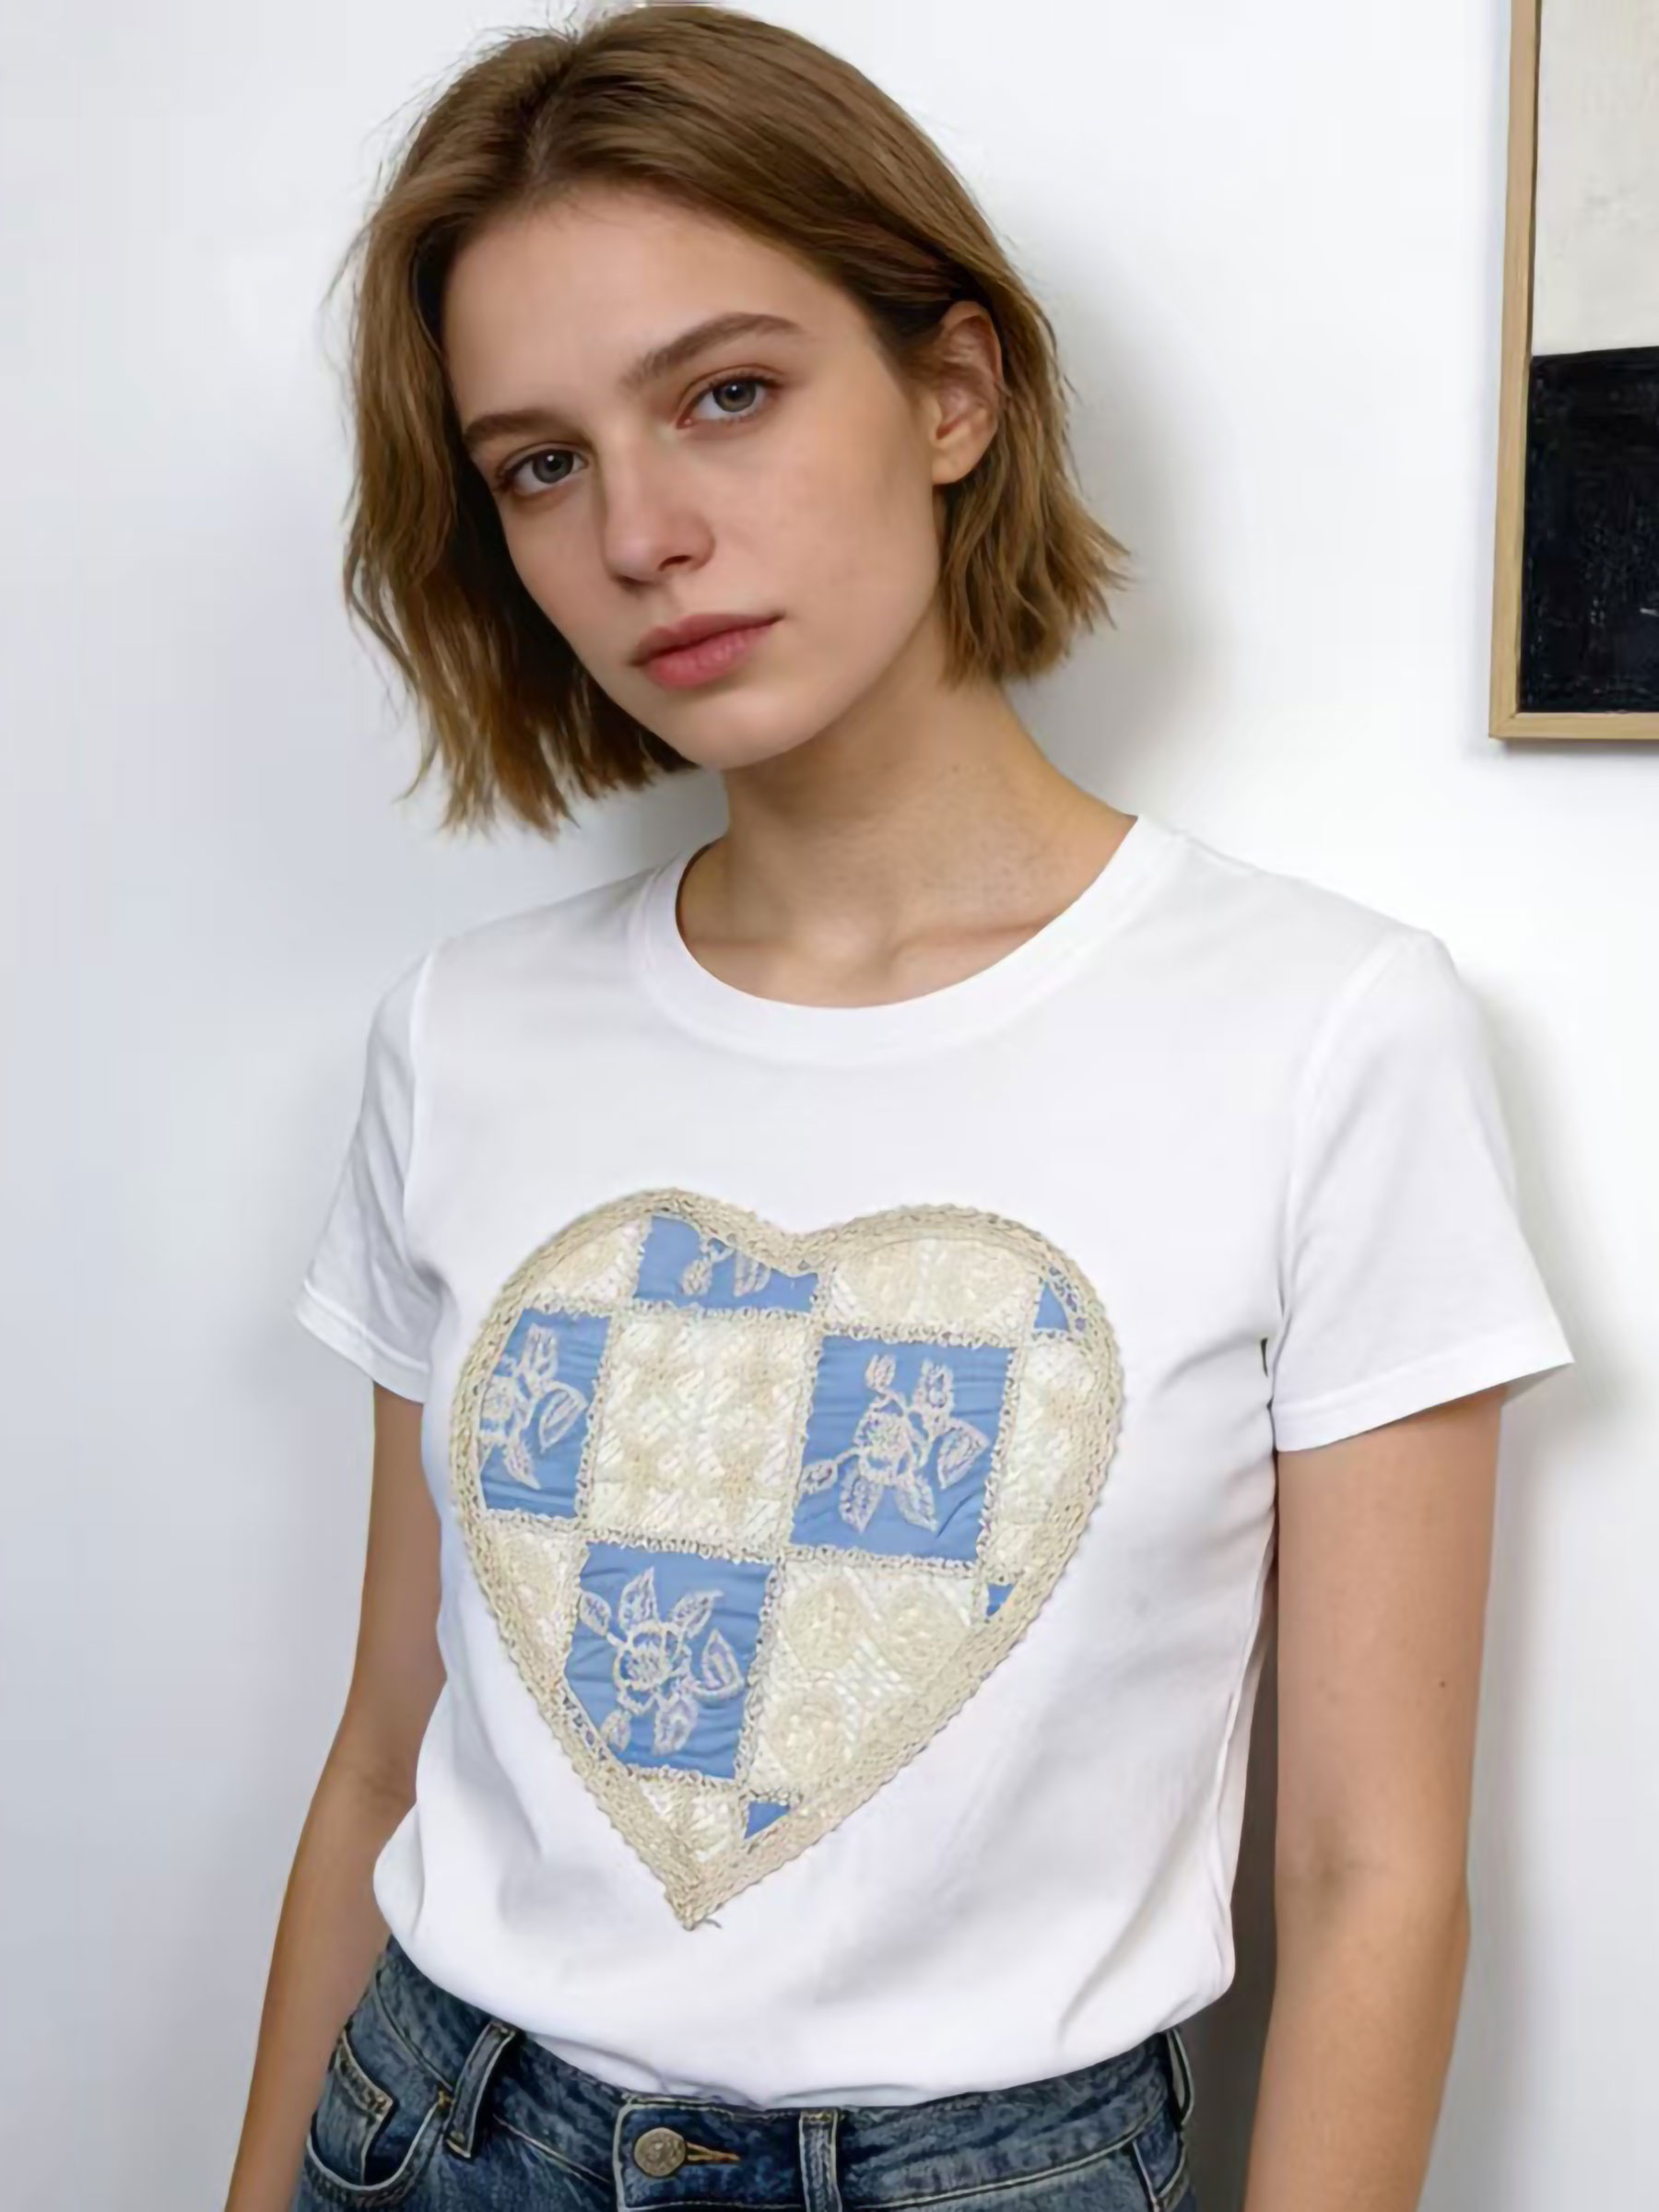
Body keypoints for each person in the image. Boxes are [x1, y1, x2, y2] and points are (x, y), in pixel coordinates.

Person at [227, 8, 1575, 2210]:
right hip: (439, 2130)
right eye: (539, 463)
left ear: (955, 391)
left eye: (725, 394)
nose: (640, 532)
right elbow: (387, 1751)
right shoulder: (462, 1036)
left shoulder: (1327, 1032)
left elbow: (1370, 1876)